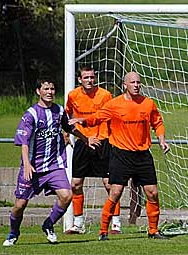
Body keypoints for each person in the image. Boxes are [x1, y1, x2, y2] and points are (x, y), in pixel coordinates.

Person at [69, 71, 170, 241]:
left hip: (143, 155)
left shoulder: (148, 104)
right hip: (121, 155)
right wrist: (82, 121)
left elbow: (157, 122)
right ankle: (103, 231)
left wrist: (161, 140)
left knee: (152, 193)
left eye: (138, 82)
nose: (136, 85)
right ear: (125, 85)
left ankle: (153, 230)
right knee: (115, 192)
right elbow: (98, 117)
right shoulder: (114, 104)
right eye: (132, 82)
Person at [3, 79, 97, 246]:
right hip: (32, 167)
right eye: (46, 88)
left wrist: (86, 139)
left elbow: (69, 128)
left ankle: (48, 225)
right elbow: (23, 141)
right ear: (38, 91)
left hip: (54, 165)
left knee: (67, 195)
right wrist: (27, 164)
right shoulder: (31, 114)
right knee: (19, 205)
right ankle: (13, 233)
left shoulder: (59, 111)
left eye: (52, 88)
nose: (50, 92)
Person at [65, 66, 122, 234]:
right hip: (83, 142)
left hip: (102, 142)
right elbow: (67, 116)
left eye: (92, 77)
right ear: (79, 80)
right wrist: (66, 133)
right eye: (86, 77)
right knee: (75, 183)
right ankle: (78, 223)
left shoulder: (105, 95)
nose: (89, 80)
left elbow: (112, 117)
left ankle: (116, 223)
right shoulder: (73, 95)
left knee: (108, 183)